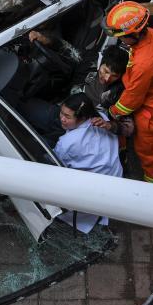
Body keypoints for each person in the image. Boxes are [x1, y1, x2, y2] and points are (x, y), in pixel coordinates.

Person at [103, 1, 153, 184]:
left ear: (134, 34)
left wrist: (113, 111)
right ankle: (123, 148)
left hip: (151, 114)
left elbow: (132, 100)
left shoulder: (144, 63)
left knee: (148, 152)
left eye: (122, 36)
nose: (120, 41)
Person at [53, 93, 123, 232]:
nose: (62, 118)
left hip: (93, 193)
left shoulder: (66, 144)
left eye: (67, 117)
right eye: (61, 113)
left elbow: (55, 164)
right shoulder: (102, 118)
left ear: (83, 118)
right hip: (116, 177)